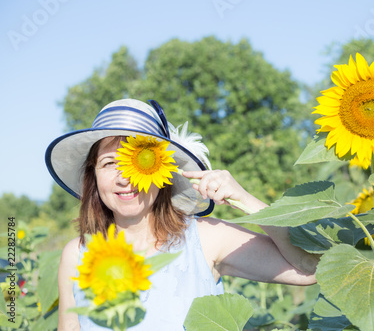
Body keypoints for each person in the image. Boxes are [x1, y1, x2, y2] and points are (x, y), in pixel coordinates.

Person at [46, 99, 318, 330]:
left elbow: (309, 269)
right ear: (92, 176)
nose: (124, 179)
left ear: (163, 174)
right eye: (109, 163)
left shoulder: (204, 239)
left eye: (139, 162)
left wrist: (244, 199)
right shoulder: (77, 255)